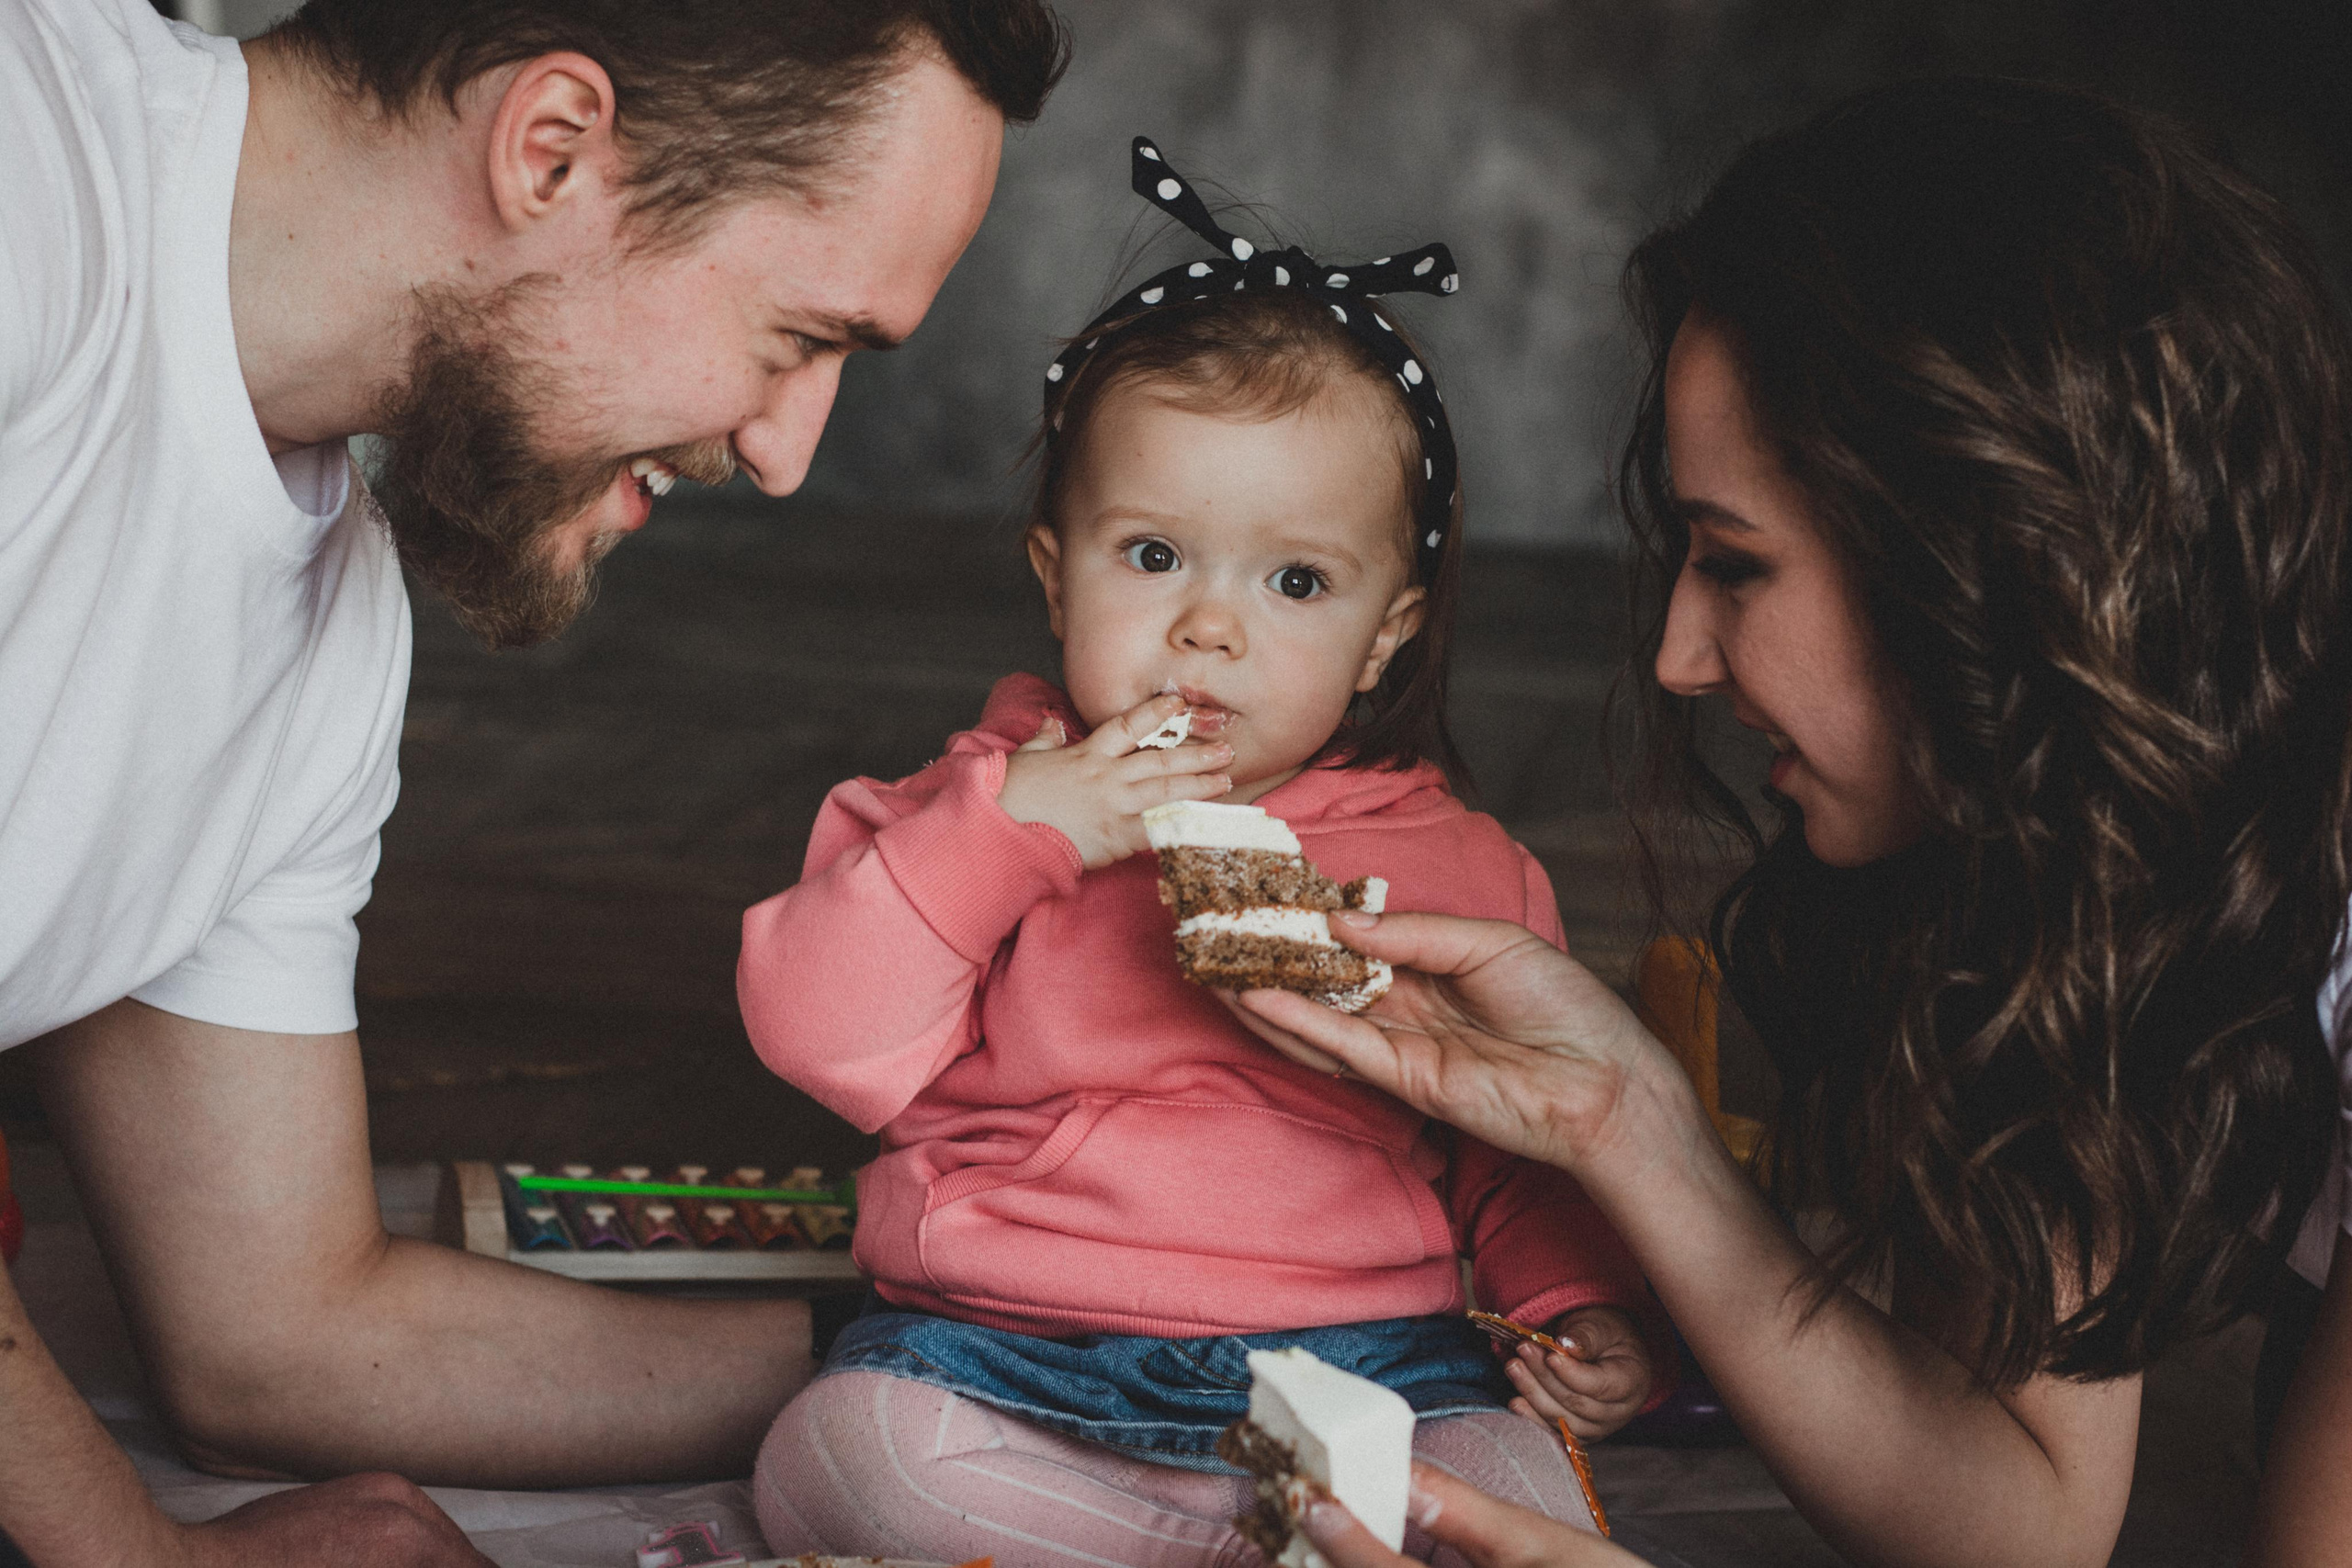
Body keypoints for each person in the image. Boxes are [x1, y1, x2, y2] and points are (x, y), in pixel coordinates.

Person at [1227, 77, 2352, 1567]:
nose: (1682, 658)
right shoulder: (2073, 866)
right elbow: (2019, 1523)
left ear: (1985, 561)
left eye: (1737, 566)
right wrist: (1628, 1124)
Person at [0, 0, 1066, 1561]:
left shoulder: (323, 639)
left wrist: (992, 1360)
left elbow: (280, 1327)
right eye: (804, 338)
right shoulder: (32, 177)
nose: (788, 453)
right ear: (551, 148)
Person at [732, 143, 1662, 1563]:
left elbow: (1517, 1144)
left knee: (1516, 1483)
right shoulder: (985, 801)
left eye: (1295, 581)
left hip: (1367, 1367)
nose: (1210, 627)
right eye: (1154, 556)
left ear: (1389, 631)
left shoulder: (1459, 866)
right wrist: (1028, 833)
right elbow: (813, 1025)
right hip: (1005, 1353)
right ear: (1056, 574)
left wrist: (1577, 1303)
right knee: (837, 1455)